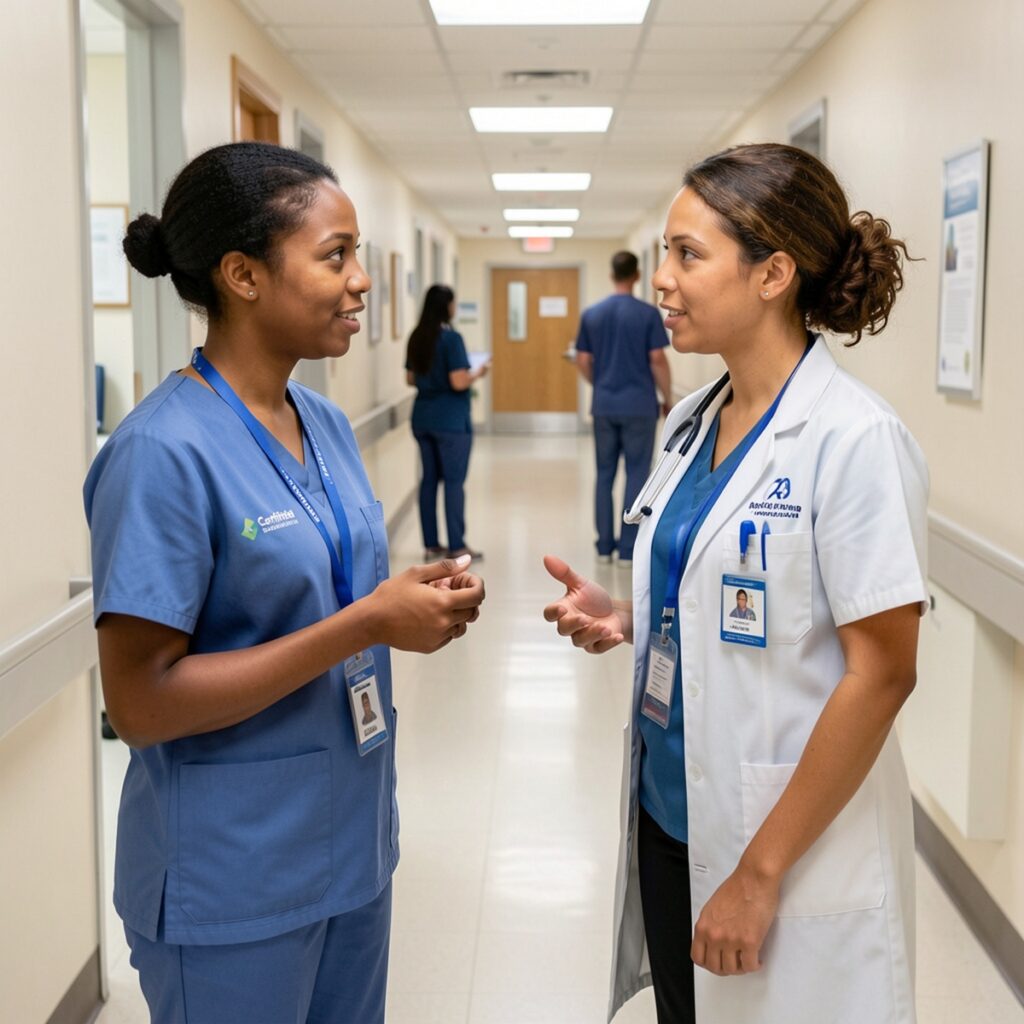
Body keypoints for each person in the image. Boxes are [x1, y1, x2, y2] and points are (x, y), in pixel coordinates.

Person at [84, 142, 486, 1024]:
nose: (360, 282)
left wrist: (411, 599)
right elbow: (141, 703)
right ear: (243, 274)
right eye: (334, 256)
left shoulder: (327, 423)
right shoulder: (162, 453)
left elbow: (329, 588)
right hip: (232, 878)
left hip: (349, 847)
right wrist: (367, 625)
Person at [544, 143, 928, 1024]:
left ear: (774, 273)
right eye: (664, 255)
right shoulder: (692, 422)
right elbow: (741, 593)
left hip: (782, 850)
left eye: (688, 255)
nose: (663, 283)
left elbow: (884, 674)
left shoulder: (854, 440)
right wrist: (635, 616)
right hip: (672, 821)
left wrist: (758, 875)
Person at [575, 250, 673, 566]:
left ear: (611, 274)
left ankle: (604, 546)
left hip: (604, 403)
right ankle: (628, 550)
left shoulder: (592, 314)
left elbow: (583, 360)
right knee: (636, 473)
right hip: (640, 405)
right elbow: (657, 359)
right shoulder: (646, 314)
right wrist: (667, 397)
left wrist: (599, 382)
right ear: (636, 275)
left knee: (604, 474)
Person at [405, 285, 488, 561]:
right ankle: (457, 545)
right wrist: (477, 373)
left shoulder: (417, 337)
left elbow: (410, 379)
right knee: (453, 482)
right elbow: (458, 380)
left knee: (429, 480)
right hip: (450, 420)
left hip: (422, 417)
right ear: (446, 307)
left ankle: (431, 544)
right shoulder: (452, 339)